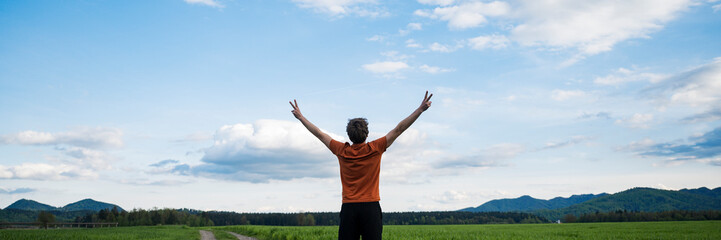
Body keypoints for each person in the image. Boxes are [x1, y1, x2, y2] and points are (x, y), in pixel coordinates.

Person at [290, 91, 433, 240]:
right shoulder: (375, 148)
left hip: (349, 208)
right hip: (371, 208)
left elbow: (319, 134)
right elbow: (399, 129)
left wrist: (301, 117)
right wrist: (420, 110)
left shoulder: (341, 150)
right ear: (367, 134)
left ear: (349, 134)